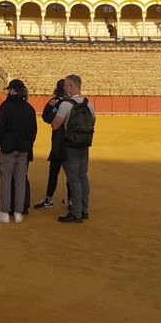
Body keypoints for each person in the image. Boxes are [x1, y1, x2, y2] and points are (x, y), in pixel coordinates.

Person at [51, 74, 95, 223]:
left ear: (71, 86)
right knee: (83, 176)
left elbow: (55, 125)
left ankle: (76, 212)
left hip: (70, 145)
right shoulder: (89, 103)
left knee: (74, 178)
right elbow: (93, 121)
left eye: (65, 85)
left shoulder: (65, 104)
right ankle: (84, 209)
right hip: (84, 145)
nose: (63, 88)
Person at [0, 79, 37, 223]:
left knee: (6, 179)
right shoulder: (29, 108)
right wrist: (28, 144)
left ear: (12, 90)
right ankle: (18, 213)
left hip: (8, 148)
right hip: (23, 148)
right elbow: (33, 131)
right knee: (20, 180)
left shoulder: (6, 106)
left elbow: (0, 127)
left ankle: (5, 212)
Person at [34, 79, 71, 209]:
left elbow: (46, 117)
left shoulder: (64, 101)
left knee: (63, 172)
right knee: (57, 172)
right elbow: (46, 117)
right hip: (60, 141)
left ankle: (65, 199)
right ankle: (54, 198)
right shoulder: (58, 102)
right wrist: (55, 108)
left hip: (63, 141)